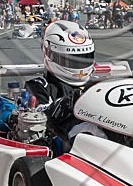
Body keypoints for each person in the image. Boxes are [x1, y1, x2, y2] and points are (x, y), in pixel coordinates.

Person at [24, 20, 101, 152]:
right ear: (50, 54)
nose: (79, 65)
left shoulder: (98, 85)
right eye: (71, 59)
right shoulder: (39, 86)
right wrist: (70, 102)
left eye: (84, 57)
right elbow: (42, 115)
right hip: (68, 145)